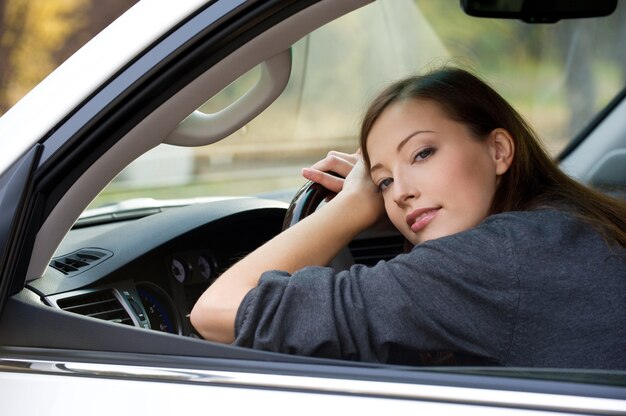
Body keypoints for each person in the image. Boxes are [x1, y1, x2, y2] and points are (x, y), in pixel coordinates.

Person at [190, 67, 626, 369]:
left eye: (422, 153)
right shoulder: (567, 226)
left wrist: (351, 208)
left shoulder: (489, 263)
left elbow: (213, 311)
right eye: (382, 182)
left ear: (498, 150)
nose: (401, 193)